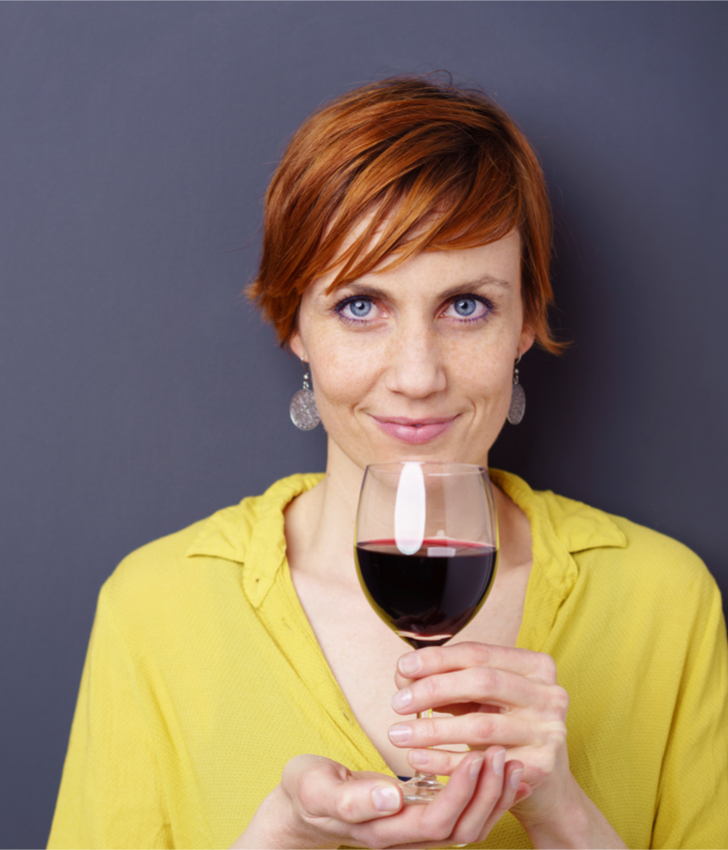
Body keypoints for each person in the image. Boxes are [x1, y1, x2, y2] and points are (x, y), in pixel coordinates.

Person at [48, 77, 728, 849]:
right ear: (292, 322)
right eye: (361, 306)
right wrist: (278, 838)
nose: (417, 375)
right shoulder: (156, 607)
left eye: (466, 305)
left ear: (525, 323)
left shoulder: (663, 600)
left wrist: (561, 815)